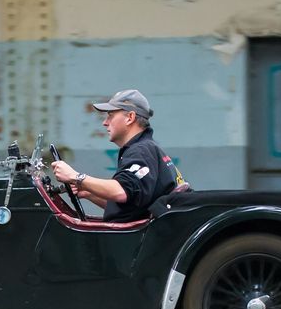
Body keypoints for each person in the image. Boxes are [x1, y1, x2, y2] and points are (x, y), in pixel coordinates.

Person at [52, 89, 185, 222]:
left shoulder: (141, 150)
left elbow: (121, 192)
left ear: (130, 118)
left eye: (110, 116)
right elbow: (130, 205)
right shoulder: (146, 148)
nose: (105, 122)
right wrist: (89, 192)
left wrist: (75, 177)